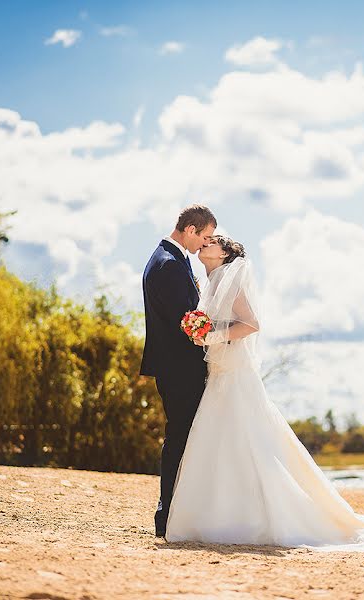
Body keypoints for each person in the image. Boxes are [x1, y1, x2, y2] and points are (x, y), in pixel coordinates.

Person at [165, 235, 364, 554]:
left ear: (225, 253)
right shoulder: (210, 281)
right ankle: (220, 515)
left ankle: (254, 516)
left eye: (213, 241)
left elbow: (252, 324)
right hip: (219, 373)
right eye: (205, 241)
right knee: (221, 441)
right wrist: (204, 335)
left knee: (247, 440)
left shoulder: (232, 279)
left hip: (235, 375)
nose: (205, 244)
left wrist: (214, 337)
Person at [140, 204, 216, 538]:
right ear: (189, 230)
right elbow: (185, 324)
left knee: (184, 438)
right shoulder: (168, 265)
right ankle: (168, 514)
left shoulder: (171, 259)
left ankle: (176, 512)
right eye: (206, 236)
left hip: (177, 367)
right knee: (180, 439)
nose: (206, 243)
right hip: (180, 368)